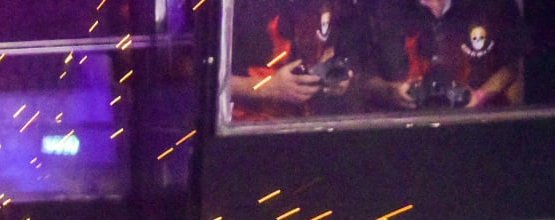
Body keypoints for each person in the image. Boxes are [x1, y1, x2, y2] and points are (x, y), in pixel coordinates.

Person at [365, 0, 528, 110]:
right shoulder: (381, 7)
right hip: (402, 132)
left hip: (479, 130)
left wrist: (480, 96)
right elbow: (362, 75)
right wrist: (390, 91)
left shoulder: (495, 5)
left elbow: (513, 64)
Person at [225, 0, 361, 120]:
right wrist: (267, 88)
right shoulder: (238, 7)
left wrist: (335, 77)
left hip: (309, 125)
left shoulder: (332, 6)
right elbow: (213, 82)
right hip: (246, 128)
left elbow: (347, 60)